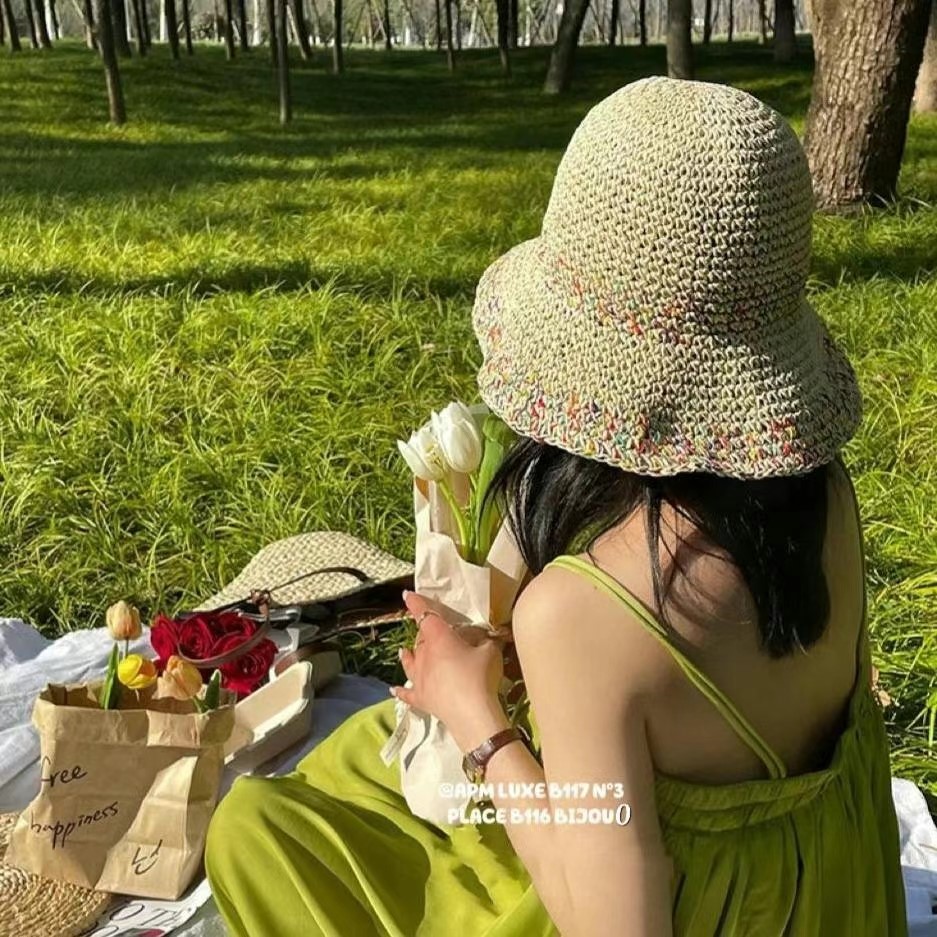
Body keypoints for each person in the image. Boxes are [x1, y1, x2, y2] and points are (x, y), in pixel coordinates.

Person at [204, 76, 908, 936]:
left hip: (668, 907)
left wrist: (479, 722)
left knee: (253, 830)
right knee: (357, 758)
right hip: (825, 898)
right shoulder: (823, 494)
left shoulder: (584, 613)